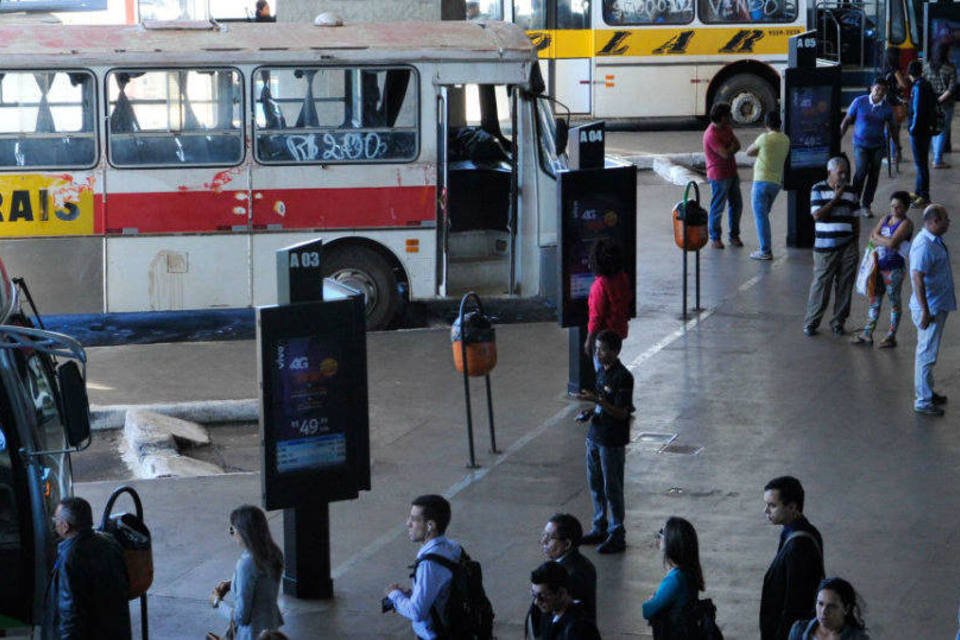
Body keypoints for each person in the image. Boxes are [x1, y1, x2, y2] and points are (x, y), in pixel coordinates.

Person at [577, 330, 634, 554]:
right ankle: (599, 526)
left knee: (613, 487)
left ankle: (617, 532)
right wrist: (591, 411)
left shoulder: (623, 377)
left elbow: (621, 413)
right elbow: (603, 405)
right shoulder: (601, 373)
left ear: (615, 351)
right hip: (595, 436)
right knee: (595, 484)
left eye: (602, 349)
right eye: (597, 348)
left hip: (611, 441)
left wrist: (597, 400)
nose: (598, 353)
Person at [47, 497, 132, 640]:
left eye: (56, 520)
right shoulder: (110, 543)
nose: (55, 524)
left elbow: (70, 614)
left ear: (66, 526)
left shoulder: (70, 558)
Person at [385, 494, 461, 639]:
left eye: (414, 519)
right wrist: (412, 595)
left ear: (430, 525)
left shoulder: (429, 564)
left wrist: (394, 595)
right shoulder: (454, 548)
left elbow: (417, 612)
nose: (408, 523)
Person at [802, 156, 860, 337]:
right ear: (830, 172)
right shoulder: (817, 189)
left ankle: (838, 322)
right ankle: (811, 321)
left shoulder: (851, 191)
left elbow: (855, 218)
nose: (843, 176)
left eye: (845, 172)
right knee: (821, 284)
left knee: (845, 285)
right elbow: (817, 215)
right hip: (825, 247)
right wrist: (835, 199)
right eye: (839, 172)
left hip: (848, 246)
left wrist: (855, 244)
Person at [760, 477, 824, 640]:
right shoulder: (802, 530)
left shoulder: (799, 547)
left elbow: (795, 605)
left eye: (772, 506)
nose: (766, 511)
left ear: (792, 507)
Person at [210, 505, 284, 640]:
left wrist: (217, 602)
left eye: (232, 530)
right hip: (271, 628)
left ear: (243, 532)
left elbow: (241, 617)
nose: (232, 534)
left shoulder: (247, 564)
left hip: (251, 634)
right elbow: (262, 585)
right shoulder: (274, 553)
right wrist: (232, 584)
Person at [851, 190, 914, 347]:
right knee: (875, 300)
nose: (894, 210)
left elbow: (890, 243)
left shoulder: (906, 224)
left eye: (898, 207)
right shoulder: (886, 218)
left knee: (894, 302)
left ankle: (891, 336)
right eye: (892, 206)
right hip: (878, 267)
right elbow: (872, 236)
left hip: (894, 269)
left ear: (905, 208)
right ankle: (867, 333)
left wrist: (879, 239)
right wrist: (884, 240)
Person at [910, 204, 956, 416]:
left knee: (928, 352)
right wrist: (925, 311)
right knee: (926, 354)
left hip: (936, 304)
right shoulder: (924, 246)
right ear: (934, 221)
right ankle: (923, 401)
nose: (949, 222)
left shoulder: (933, 240)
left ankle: (927, 392)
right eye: (946, 219)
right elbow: (917, 278)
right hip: (930, 308)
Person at [528, 513, 598, 637]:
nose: (543, 541)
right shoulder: (569, 564)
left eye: (549, 537)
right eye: (543, 535)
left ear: (567, 544)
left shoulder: (575, 574)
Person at [840, 78, 897, 218]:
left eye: (883, 90)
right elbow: (847, 119)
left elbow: (893, 127)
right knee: (861, 171)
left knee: (874, 175)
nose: (880, 92)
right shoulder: (859, 101)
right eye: (877, 88)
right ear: (872, 88)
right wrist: (839, 137)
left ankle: (866, 205)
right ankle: (854, 202)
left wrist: (897, 146)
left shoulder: (887, 108)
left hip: (878, 145)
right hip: (860, 144)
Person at [641, 517, 705, 640]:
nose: (658, 537)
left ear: (671, 544)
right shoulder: (689, 571)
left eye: (661, 533)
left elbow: (647, 610)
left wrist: (651, 599)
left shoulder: (674, 579)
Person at [746, 110, 790, 259]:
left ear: (766, 124)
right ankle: (765, 248)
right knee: (764, 215)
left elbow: (749, 152)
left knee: (760, 217)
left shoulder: (764, 138)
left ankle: (765, 251)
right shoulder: (785, 139)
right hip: (775, 183)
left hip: (761, 182)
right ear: (780, 123)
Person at [584, 238, 631, 367]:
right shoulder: (622, 277)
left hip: (603, 338)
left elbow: (596, 317)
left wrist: (589, 340)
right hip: (618, 333)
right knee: (611, 365)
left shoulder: (599, 286)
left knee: (601, 369)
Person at [703, 101, 743, 249]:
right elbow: (726, 153)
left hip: (732, 172)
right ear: (721, 117)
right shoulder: (711, 134)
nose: (730, 117)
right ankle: (715, 238)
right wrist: (730, 147)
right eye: (728, 115)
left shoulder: (727, 128)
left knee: (736, 205)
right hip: (718, 175)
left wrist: (729, 148)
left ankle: (734, 235)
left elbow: (738, 145)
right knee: (718, 207)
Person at [529, 562, 601, 640]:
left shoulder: (579, 630)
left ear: (561, 593)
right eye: (534, 594)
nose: (536, 602)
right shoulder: (548, 615)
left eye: (542, 596)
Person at [787, 577, 871, 640]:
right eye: (820, 604)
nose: (824, 611)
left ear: (846, 609)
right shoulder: (799, 630)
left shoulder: (857, 638)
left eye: (831, 606)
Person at [908, 59, 937, 208]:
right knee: (922, 162)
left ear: (910, 74)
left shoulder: (918, 87)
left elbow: (917, 111)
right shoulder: (927, 84)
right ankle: (918, 191)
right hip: (926, 130)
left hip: (918, 131)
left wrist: (912, 129)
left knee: (921, 164)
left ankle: (924, 195)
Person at [924, 43, 957, 169]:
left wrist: (933, 100)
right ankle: (937, 159)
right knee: (943, 130)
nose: (951, 53)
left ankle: (936, 157)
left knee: (934, 128)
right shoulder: (950, 67)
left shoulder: (927, 66)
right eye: (949, 50)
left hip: (931, 101)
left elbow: (924, 84)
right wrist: (940, 99)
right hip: (946, 103)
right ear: (945, 52)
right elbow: (951, 88)